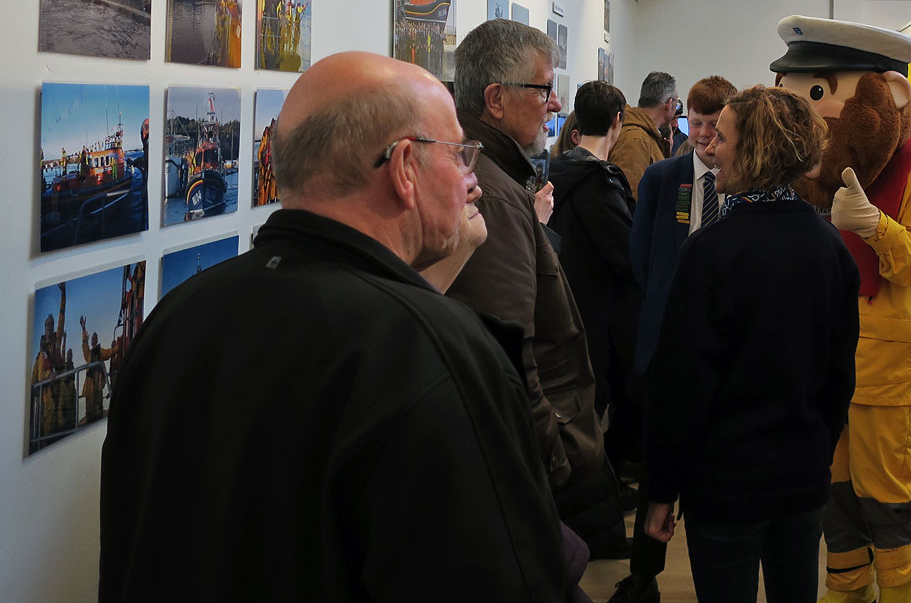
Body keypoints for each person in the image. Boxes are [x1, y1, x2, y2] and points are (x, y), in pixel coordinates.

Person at [99, 51, 567, 600]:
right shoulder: (436, 354)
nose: (472, 179)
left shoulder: (173, 319)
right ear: (405, 168)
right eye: (461, 155)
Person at [643, 85, 859, 603]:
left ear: (755, 148)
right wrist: (812, 450)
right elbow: (838, 379)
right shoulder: (830, 248)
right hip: (802, 481)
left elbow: (682, 386)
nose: (710, 146)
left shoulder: (710, 252)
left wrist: (660, 491)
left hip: (725, 487)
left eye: (723, 136)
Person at [770, 17, 911, 603]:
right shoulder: (802, 179)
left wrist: (877, 227)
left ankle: (896, 588)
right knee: (833, 487)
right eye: (797, 93)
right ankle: (847, 586)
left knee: (887, 490)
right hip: (822, 362)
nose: (807, 108)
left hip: (881, 367)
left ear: (888, 96)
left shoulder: (910, 173)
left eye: (818, 92)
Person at [449, 19, 628, 559]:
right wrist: (555, 460)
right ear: (496, 99)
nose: (555, 105)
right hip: (534, 457)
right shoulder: (496, 196)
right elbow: (508, 353)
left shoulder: (498, 180)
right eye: (545, 89)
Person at [608, 74, 737, 603]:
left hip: (721, 345)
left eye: (714, 126)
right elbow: (640, 256)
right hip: (664, 336)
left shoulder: (743, 184)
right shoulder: (663, 177)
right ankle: (643, 576)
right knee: (658, 458)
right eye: (697, 124)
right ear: (685, 119)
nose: (704, 136)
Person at [548, 81, 644, 479]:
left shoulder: (552, 172)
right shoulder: (599, 182)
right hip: (601, 318)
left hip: (565, 305)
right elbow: (628, 253)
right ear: (617, 122)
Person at [611, 71, 676, 193]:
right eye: (676, 104)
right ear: (669, 104)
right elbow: (631, 199)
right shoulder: (635, 139)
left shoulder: (644, 136)